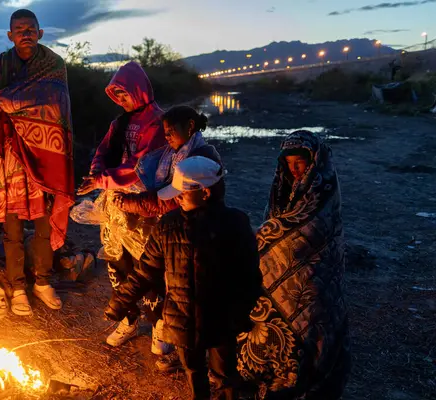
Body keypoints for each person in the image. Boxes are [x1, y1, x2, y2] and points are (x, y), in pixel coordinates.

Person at [105, 156, 263, 400]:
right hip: (182, 318)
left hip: (221, 318)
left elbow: (249, 275)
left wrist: (239, 314)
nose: (177, 197)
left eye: (182, 193)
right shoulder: (168, 225)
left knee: (224, 375)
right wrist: (120, 301)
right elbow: (145, 270)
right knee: (192, 370)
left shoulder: (234, 224)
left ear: (206, 193)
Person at [236, 130, 350, 399]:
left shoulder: (324, 187)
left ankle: (311, 379)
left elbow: (311, 228)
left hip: (317, 270)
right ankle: (275, 374)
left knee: (314, 325)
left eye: (299, 162)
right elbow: (275, 220)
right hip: (283, 273)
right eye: (288, 163)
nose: (294, 168)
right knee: (273, 322)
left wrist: (263, 238)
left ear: (313, 159)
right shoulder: (282, 186)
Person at [0, 9, 74, 316]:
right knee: (12, 226)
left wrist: (14, 102)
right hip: (10, 157)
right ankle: (17, 287)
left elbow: (57, 104)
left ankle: (42, 282)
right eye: (19, 29)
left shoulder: (54, 64)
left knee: (43, 222)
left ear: (40, 32)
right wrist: (11, 104)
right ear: (10, 35)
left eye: (31, 28)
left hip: (45, 154)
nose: (25, 33)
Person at [76, 61, 168, 352]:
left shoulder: (158, 123)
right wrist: (96, 174)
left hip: (144, 208)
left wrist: (102, 179)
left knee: (149, 265)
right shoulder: (119, 123)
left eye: (125, 94)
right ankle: (128, 319)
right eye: (117, 96)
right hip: (114, 203)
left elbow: (141, 165)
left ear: (139, 90)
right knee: (117, 261)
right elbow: (103, 151)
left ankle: (159, 326)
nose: (122, 100)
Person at [111, 105, 222, 217]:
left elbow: (169, 202)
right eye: (165, 132)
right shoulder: (172, 153)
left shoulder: (199, 161)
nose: (166, 136)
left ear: (190, 126)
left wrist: (128, 202)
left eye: (170, 131)